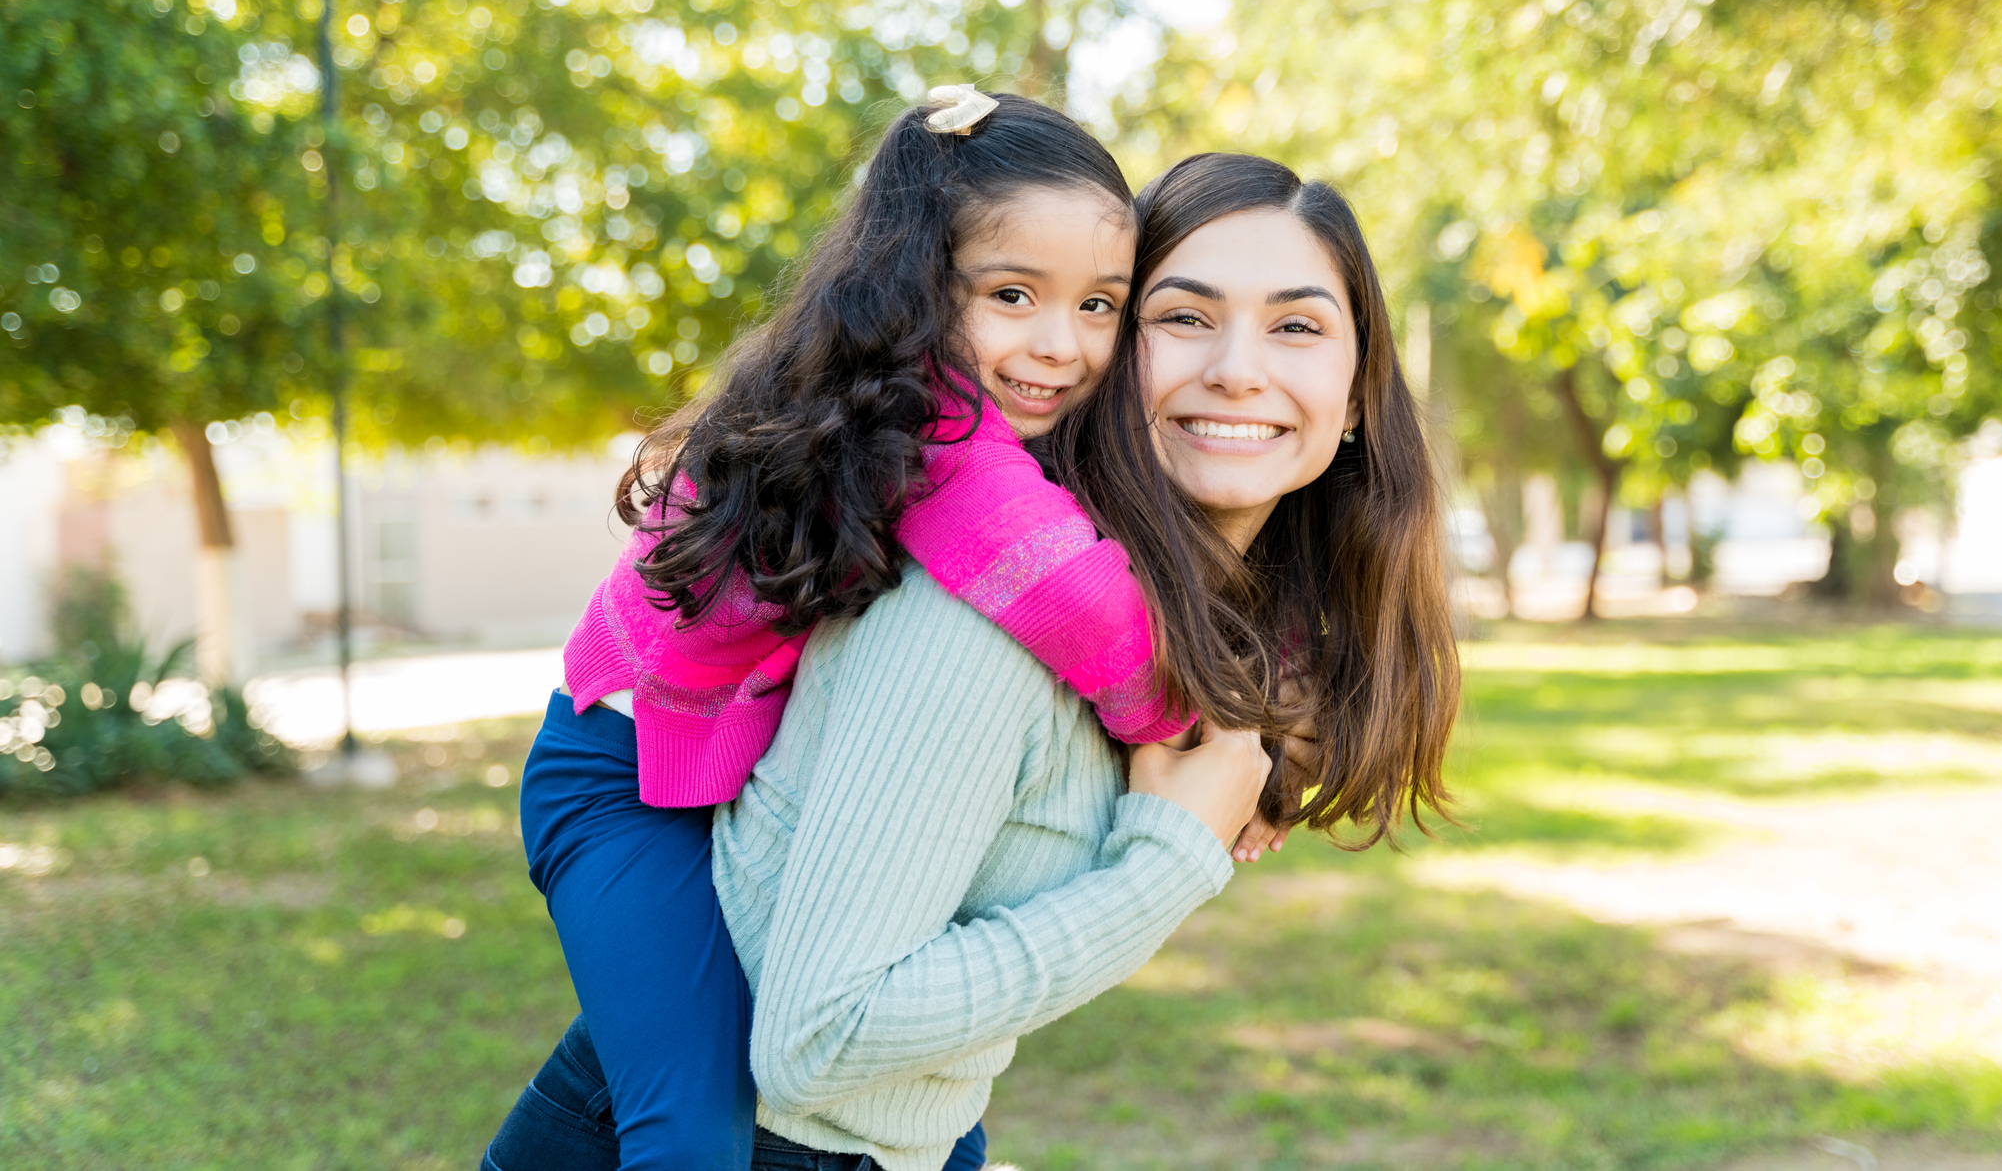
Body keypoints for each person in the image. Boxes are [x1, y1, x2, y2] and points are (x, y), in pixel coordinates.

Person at [487, 149, 1462, 1171]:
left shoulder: (1182, 607)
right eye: (1180, 316)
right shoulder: (993, 603)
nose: (1235, 366)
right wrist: (1171, 853)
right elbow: (821, 1040)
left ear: (1357, 395)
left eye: (1297, 325)